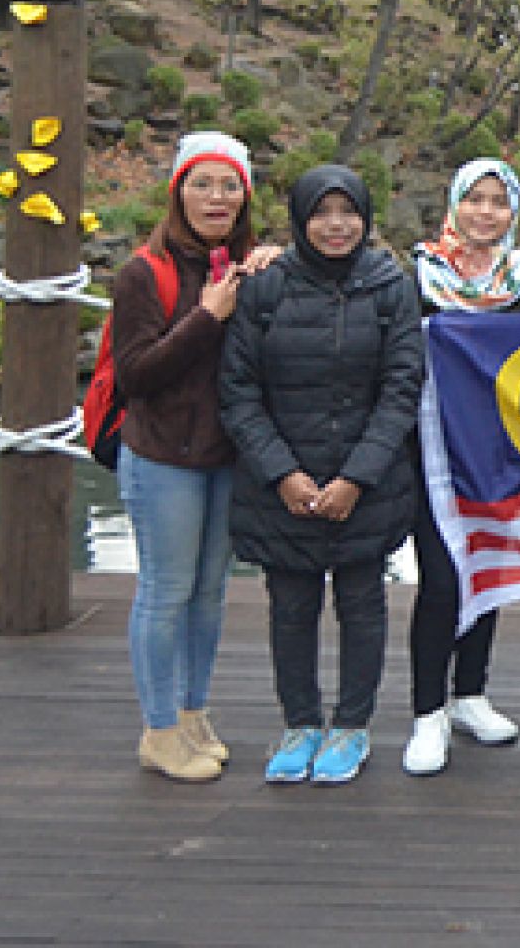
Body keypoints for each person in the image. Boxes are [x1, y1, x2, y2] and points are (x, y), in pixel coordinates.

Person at [219, 166, 424, 786]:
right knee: (290, 606)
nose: (336, 226)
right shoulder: (265, 288)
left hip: (366, 480)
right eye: (321, 213)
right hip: (281, 480)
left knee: (363, 604)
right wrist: (282, 473)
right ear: (301, 219)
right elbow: (238, 391)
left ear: (365, 216)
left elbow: (401, 388)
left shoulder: (391, 287)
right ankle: (301, 722)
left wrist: (358, 476)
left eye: (348, 212)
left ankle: (353, 725)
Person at [113, 132, 278, 783]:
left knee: (209, 594)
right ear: (178, 189)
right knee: (165, 591)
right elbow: (136, 375)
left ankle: (191, 713)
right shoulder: (140, 273)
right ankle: (157, 728)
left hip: (224, 456)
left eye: (230, 185)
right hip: (162, 458)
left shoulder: (248, 267)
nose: (217, 197)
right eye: (202, 183)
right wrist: (208, 317)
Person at [401, 158, 520, 776]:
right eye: (475, 199)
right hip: (431, 450)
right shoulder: (418, 276)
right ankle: (428, 710)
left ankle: (470, 693)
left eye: (498, 201)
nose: (486, 212)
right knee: (439, 577)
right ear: (455, 204)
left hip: (499, 454)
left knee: (487, 570)